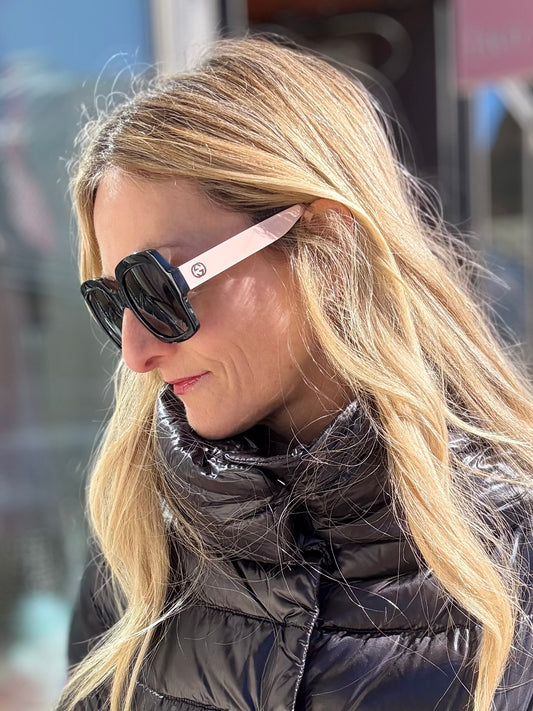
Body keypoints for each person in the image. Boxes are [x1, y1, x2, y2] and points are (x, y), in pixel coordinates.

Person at [59, 36, 533, 711]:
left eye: (159, 287)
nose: (135, 353)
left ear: (327, 246)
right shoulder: (138, 551)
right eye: (114, 303)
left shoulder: (515, 557)